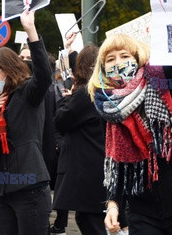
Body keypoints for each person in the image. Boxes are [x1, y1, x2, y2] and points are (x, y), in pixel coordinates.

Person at [87, 34, 172, 235]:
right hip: (142, 211)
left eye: (124, 56)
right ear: (102, 69)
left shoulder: (161, 81)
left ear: (138, 58)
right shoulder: (106, 106)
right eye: (110, 59)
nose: (118, 63)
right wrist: (113, 204)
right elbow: (113, 160)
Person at [0, 9, 52, 235]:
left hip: (30, 187)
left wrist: (31, 31)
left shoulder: (27, 93)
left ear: (6, 70)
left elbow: (44, 76)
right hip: (5, 187)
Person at [53, 45, 112, 234]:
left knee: (89, 220)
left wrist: (66, 100)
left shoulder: (86, 93)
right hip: (100, 166)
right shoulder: (107, 90)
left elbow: (61, 121)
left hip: (87, 170)